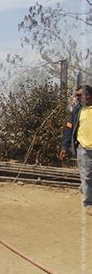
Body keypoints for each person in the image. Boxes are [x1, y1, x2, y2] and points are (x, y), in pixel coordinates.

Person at [60, 84, 92, 216]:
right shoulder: (77, 110)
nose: (77, 97)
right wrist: (64, 146)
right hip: (84, 149)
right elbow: (69, 129)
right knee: (86, 177)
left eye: (79, 95)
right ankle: (89, 203)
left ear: (88, 95)